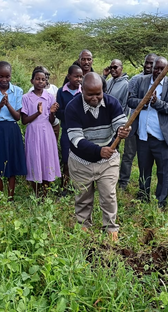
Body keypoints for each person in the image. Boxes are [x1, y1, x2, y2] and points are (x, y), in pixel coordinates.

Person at [65, 72, 131, 241]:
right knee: (83, 197)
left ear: (103, 90)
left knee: (108, 195)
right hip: (81, 161)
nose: (95, 98)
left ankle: (110, 227)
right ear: (82, 90)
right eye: (90, 94)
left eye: (98, 93)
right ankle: (84, 225)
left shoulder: (112, 103)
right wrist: (98, 150)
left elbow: (120, 124)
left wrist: (122, 131)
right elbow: (76, 139)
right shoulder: (72, 107)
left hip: (107, 161)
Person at [128, 56, 168, 208]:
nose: (158, 71)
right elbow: (130, 101)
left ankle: (160, 201)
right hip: (143, 135)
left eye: (161, 68)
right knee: (144, 169)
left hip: (161, 138)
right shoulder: (141, 81)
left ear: (167, 69)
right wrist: (143, 101)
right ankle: (143, 197)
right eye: (156, 68)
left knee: (163, 172)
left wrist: (157, 103)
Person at [0, 61, 27, 201]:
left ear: (11, 75)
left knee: (11, 164)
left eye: (7, 76)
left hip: (12, 130)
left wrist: (7, 104)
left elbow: (17, 117)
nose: (4, 80)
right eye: (0, 76)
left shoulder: (17, 91)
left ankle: (10, 198)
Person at [118, 53, 157, 190]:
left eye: (151, 64)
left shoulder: (162, 81)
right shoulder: (136, 79)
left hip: (150, 128)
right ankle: (123, 183)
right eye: (146, 63)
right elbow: (130, 101)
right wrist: (144, 102)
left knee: (145, 159)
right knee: (128, 155)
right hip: (134, 124)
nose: (147, 66)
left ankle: (144, 186)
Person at [22, 68, 61, 197]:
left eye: (43, 79)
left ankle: (45, 193)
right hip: (33, 131)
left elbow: (51, 120)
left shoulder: (49, 97)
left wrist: (52, 112)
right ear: (32, 80)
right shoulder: (26, 98)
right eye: (37, 79)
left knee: (46, 158)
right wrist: (37, 113)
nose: (40, 81)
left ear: (46, 82)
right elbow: (24, 120)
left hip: (46, 132)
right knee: (35, 158)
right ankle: (36, 192)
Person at [56, 65, 83, 194]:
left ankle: (78, 186)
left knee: (81, 159)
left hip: (82, 131)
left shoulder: (84, 91)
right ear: (69, 77)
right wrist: (70, 113)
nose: (79, 79)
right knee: (66, 159)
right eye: (76, 76)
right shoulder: (61, 92)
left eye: (81, 76)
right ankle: (65, 187)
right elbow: (58, 112)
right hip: (67, 130)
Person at [28, 66, 60, 142]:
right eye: (45, 74)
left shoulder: (54, 88)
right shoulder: (32, 91)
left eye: (48, 74)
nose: (47, 76)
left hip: (54, 123)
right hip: (38, 126)